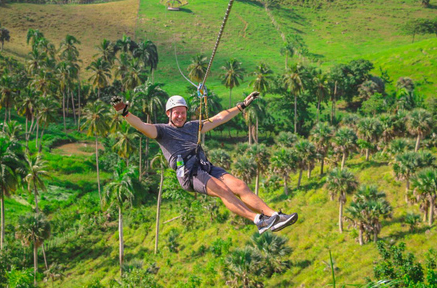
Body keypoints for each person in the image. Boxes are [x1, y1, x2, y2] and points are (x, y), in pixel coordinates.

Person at [111, 92, 297, 234]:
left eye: (183, 113)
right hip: (189, 174)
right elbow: (142, 126)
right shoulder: (162, 131)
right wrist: (125, 113)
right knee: (221, 189)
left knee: (239, 185)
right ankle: (259, 221)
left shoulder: (193, 126)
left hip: (204, 166)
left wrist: (241, 106)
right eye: (176, 113)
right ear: (169, 113)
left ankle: (274, 216)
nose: (180, 116)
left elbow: (218, 118)